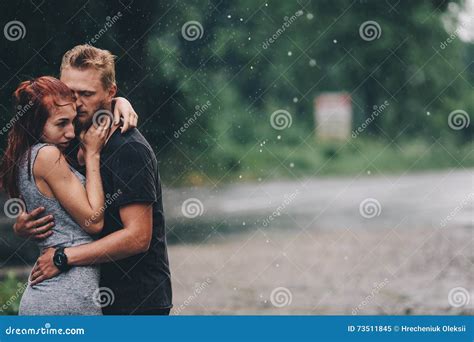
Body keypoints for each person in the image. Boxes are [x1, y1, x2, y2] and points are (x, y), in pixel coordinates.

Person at [14, 45, 173, 315]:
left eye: (86, 94)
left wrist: (64, 257)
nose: (76, 102)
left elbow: (138, 237)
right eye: (69, 92)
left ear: (111, 92)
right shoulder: (68, 134)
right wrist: (22, 224)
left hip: (134, 300)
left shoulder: (128, 149)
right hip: (89, 297)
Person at [0, 76, 110, 314]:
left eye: (72, 122)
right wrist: (93, 155)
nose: (71, 133)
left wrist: (119, 102)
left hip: (57, 298)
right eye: (61, 124)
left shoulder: (26, 156)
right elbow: (94, 221)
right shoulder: (48, 155)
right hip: (63, 299)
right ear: (34, 125)